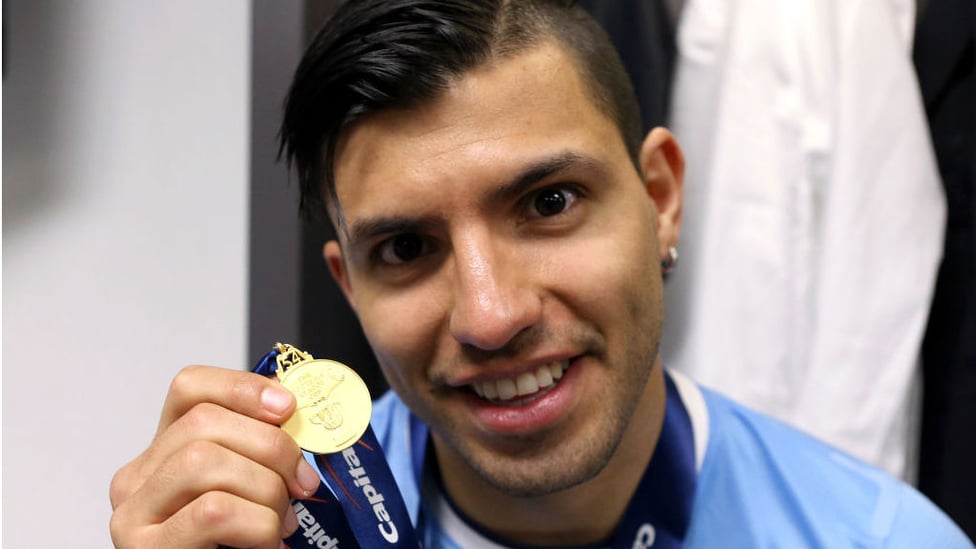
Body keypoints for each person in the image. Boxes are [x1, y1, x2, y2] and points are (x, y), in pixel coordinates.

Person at [108, 1, 972, 547]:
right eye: (406, 249)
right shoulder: (289, 527)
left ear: (661, 198)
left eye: (550, 201)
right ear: (350, 289)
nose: (490, 314)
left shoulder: (879, 537)